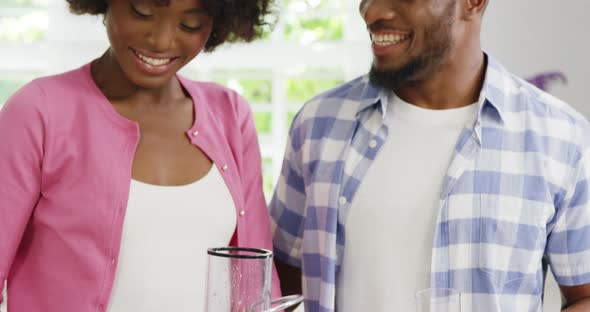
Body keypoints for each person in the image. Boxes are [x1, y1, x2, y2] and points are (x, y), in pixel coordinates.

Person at [270, 0, 590, 311]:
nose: (373, 11)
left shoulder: (560, 137)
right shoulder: (318, 125)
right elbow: (280, 281)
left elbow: (584, 295)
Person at [0, 0, 281, 311]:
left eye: (190, 25)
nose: (161, 40)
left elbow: (258, 285)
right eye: (142, 12)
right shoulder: (39, 111)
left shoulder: (230, 114)